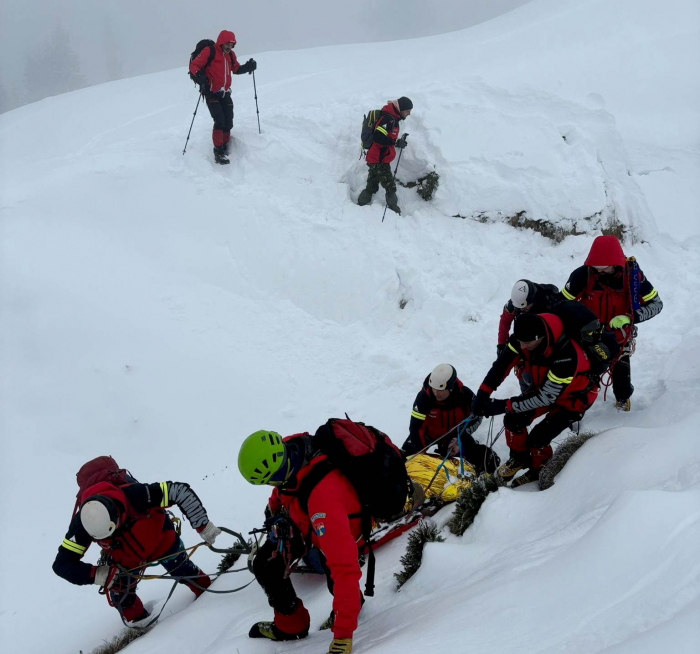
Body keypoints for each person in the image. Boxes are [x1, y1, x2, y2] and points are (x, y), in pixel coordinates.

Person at [239, 429, 366, 654]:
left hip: (334, 526)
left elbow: (345, 568)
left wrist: (343, 636)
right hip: (304, 517)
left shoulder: (323, 499)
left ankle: (350, 609)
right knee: (266, 565)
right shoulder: (291, 450)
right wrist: (274, 507)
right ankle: (291, 626)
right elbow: (285, 486)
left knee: (333, 573)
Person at [53, 475, 221, 624]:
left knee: (185, 572)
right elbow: (62, 564)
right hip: (125, 559)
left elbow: (178, 491)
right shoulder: (82, 524)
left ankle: (212, 596)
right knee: (123, 599)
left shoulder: (135, 495)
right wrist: (99, 575)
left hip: (160, 540)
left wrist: (203, 525)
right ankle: (142, 633)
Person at [472, 312, 600, 487]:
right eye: (520, 342)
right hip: (544, 389)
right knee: (513, 420)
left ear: (540, 337)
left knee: (538, 437)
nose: (522, 347)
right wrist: (482, 393)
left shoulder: (566, 354)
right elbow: (501, 367)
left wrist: (502, 405)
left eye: (527, 343)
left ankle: (539, 469)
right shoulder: (522, 338)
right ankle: (519, 459)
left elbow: (546, 397)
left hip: (573, 399)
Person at [561, 235, 663, 410]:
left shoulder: (633, 276)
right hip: (588, 335)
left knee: (621, 376)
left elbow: (657, 304)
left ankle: (623, 402)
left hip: (619, 336)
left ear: (615, 263)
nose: (598, 271)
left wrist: (631, 318)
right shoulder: (583, 274)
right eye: (595, 267)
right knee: (582, 373)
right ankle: (574, 408)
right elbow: (561, 304)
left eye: (603, 268)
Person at [401, 364, 499, 473]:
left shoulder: (465, 395)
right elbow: (415, 427)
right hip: (430, 435)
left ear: (451, 388)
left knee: (481, 459)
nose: (435, 393)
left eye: (440, 390)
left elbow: (477, 417)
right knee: (405, 456)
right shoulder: (423, 398)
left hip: (455, 435)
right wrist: (420, 454)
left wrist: (461, 436)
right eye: (434, 389)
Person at [189, 30, 257, 165]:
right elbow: (194, 65)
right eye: (227, 44)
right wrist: (200, 77)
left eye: (232, 45)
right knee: (219, 120)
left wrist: (248, 67)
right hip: (211, 92)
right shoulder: (210, 51)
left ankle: (225, 145)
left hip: (225, 92)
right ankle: (218, 151)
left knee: (228, 120)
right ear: (221, 41)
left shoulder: (230, 55)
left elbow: (236, 69)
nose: (229, 47)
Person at [497, 280, 561, 392]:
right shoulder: (516, 303)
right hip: (524, 342)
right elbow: (505, 321)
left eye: (525, 308)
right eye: (520, 308)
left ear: (532, 300)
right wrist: (501, 345)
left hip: (544, 345)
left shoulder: (549, 304)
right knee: (525, 378)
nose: (521, 310)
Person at [357, 97, 413, 215]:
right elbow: (378, 137)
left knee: (373, 178)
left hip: (378, 157)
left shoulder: (392, 118)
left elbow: (386, 136)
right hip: (378, 158)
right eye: (407, 111)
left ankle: (364, 199)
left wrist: (397, 142)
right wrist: (395, 142)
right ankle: (392, 206)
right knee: (389, 185)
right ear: (401, 109)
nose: (409, 114)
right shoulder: (389, 119)